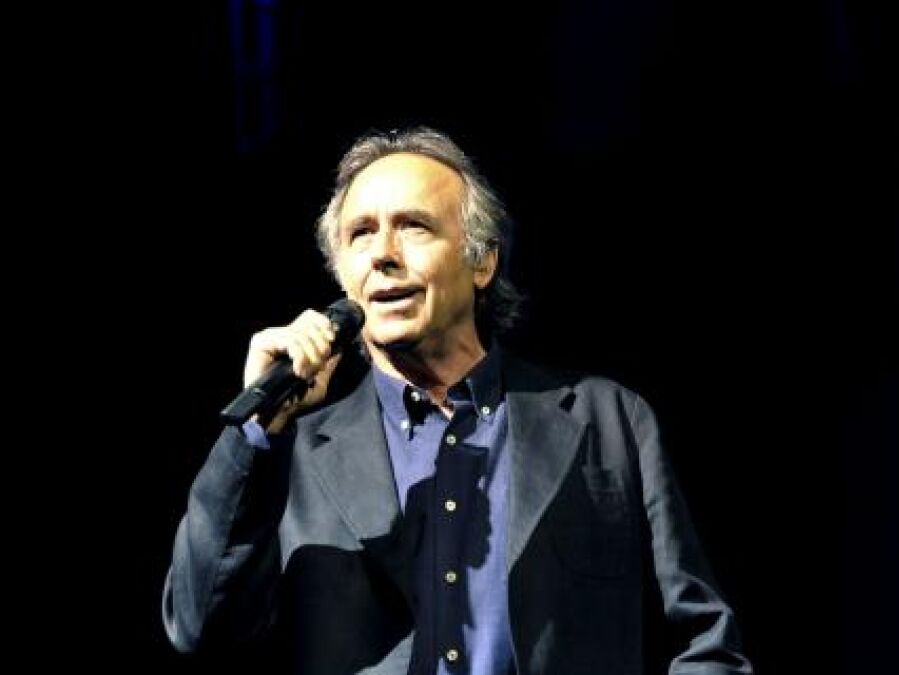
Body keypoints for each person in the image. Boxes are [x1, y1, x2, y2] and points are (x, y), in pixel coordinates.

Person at [162, 127, 753, 674]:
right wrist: (256, 429)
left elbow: (704, 640)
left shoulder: (610, 422)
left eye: (413, 226)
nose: (382, 253)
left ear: (482, 261)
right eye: (360, 233)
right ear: (342, 274)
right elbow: (199, 627)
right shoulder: (289, 456)